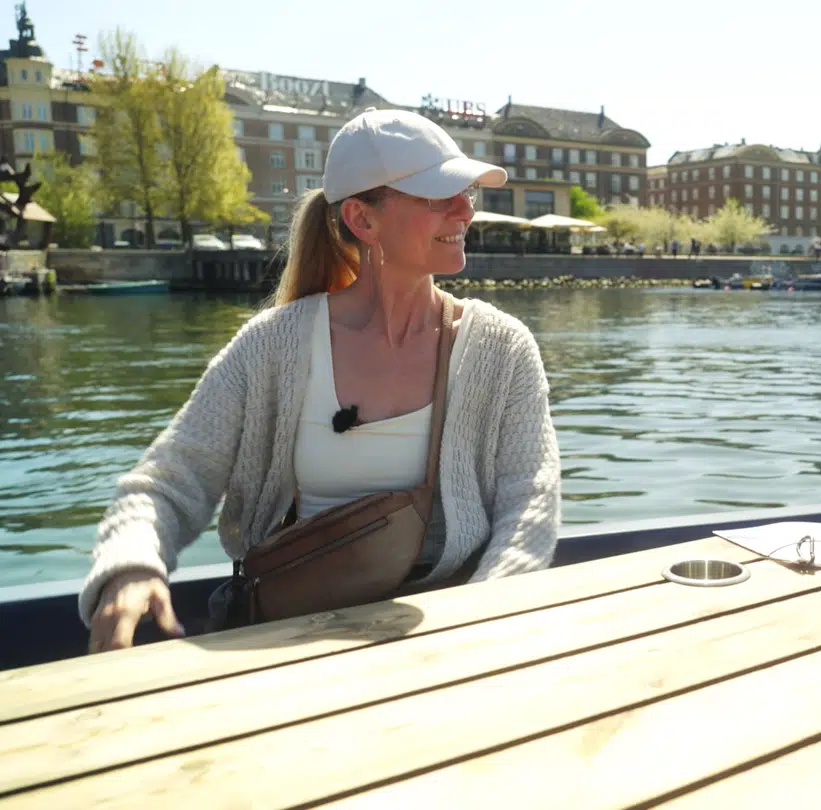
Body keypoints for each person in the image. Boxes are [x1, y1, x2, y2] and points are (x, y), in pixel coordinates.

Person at [82, 108, 562, 653]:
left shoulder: (504, 347)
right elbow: (166, 484)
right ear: (362, 219)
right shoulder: (272, 345)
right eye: (439, 196)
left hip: (452, 636)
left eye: (467, 192)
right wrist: (131, 566)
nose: (465, 211)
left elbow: (530, 504)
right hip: (292, 640)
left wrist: (479, 621)